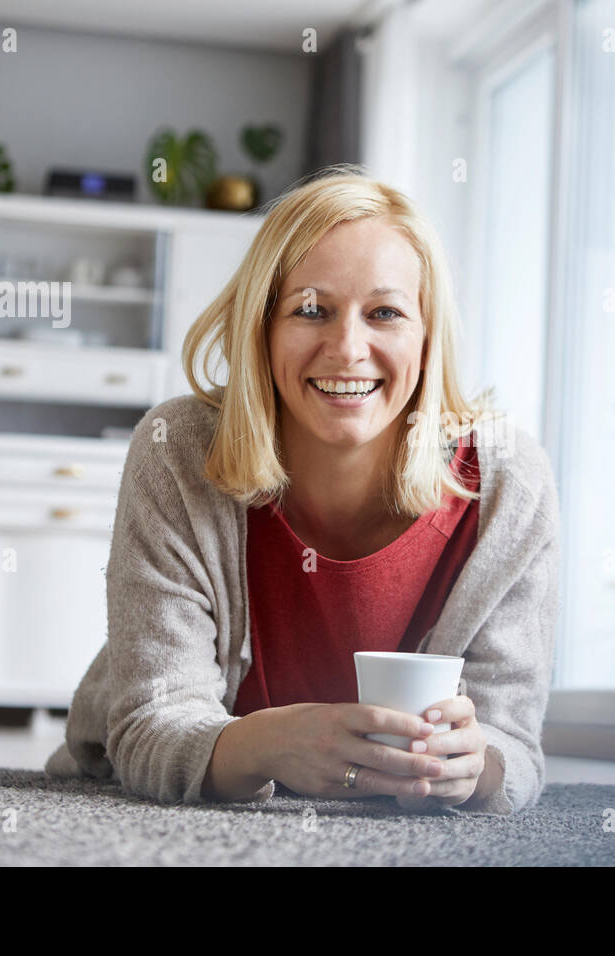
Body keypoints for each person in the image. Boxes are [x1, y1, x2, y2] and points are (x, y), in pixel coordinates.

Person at [45, 165, 561, 815]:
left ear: (428, 340)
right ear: (262, 331)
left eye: (385, 313)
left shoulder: (511, 483)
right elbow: (152, 722)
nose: (347, 348)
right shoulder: (176, 449)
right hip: (146, 807)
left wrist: (476, 768)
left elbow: (511, 743)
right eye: (310, 310)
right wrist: (265, 743)